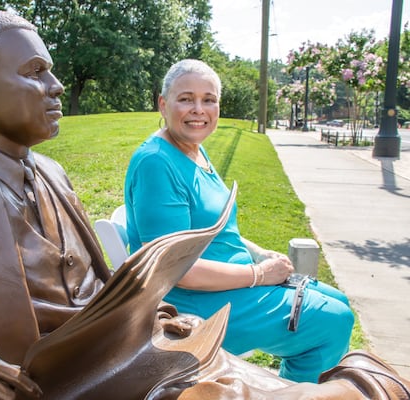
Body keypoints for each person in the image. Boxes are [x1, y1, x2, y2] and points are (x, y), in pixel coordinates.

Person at [0, 10, 408, 400]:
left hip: (137, 359)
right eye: (36, 72)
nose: (57, 86)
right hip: (59, 386)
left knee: (358, 383)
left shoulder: (51, 174)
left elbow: (93, 293)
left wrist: (156, 315)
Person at [124, 59, 355, 383]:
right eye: (186, 98)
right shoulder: (157, 164)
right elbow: (179, 270)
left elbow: (215, 229)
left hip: (229, 284)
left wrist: (259, 252)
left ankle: (293, 385)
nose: (198, 109)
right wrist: (259, 274)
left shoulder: (194, 150)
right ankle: (298, 391)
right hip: (192, 305)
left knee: (338, 301)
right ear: (163, 104)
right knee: (334, 320)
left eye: (209, 99)